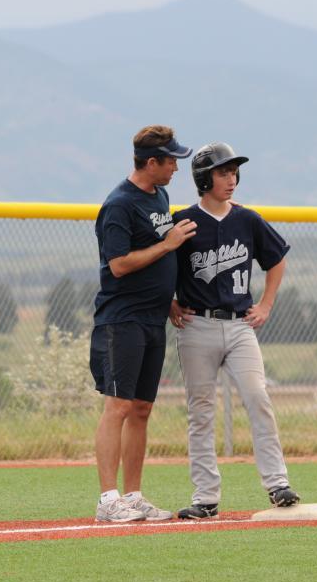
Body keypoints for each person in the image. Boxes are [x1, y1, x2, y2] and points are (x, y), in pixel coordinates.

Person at [170, 143, 300, 519]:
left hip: (240, 325)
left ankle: (278, 485)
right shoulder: (182, 220)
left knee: (258, 397)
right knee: (201, 412)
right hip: (197, 326)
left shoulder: (248, 220)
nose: (231, 179)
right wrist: (168, 302)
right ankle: (205, 498)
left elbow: (276, 263)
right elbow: (160, 269)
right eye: (222, 172)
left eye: (233, 172)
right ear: (203, 179)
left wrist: (266, 305)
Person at [91, 125, 197, 522]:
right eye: (171, 160)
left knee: (141, 409)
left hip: (153, 317)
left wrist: (167, 299)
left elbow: (151, 261)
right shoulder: (119, 204)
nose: (175, 168)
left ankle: (133, 496)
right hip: (122, 319)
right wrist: (168, 244)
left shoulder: (160, 195)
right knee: (117, 406)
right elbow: (118, 265)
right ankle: (108, 499)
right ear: (151, 162)